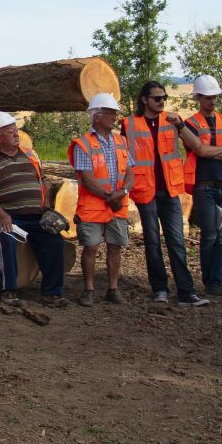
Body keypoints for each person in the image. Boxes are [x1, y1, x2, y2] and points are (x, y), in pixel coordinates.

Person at [123, 80, 205, 306]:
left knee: (176, 241)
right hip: (145, 190)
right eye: (157, 98)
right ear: (144, 100)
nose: (161, 102)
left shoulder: (172, 120)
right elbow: (123, 156)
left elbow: (195, 145)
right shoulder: (129, 124)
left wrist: (180, 126)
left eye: (164, 98)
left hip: (170, 191)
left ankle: (186, 292)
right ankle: (159, 288)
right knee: (152, 241)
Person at [0, 111, 66, 305]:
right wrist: (2, 216)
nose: (16, 135)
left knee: (56, 243)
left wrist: (47, 208)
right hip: (11, 218)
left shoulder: (30, 155)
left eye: (16, 131)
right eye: (10, 132)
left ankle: (51, 292)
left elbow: (42, 183)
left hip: (37, 216)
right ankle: (10, 290)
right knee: (7, 241)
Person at [172, 74, 222, 299]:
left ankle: (216, 282)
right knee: (210, 235)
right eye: (209, 97)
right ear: (199, 98)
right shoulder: (190, 123)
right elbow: (199, 151)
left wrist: (210, 152)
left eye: (215, 97)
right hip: (204, 188)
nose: (213, 101)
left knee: (221, 238)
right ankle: (209, 283)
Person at [70, 92, 134, 304]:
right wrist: (110, 196)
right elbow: (87, 179)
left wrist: (122, 193)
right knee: (91, 247)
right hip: (93, 207)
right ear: (96, 115)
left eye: (115, 113)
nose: (114, 117)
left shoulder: (121, 141)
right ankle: (89, 290)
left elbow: (131, 172)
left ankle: (113, 289)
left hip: (118, 204)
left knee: (115, 246)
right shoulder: (83, 144)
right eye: (110, 113)